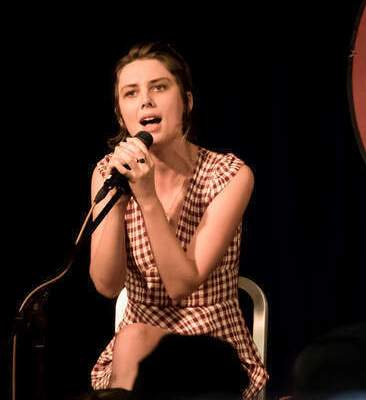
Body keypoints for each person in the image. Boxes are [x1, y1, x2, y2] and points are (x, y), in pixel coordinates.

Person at [88, 42, 267, 398]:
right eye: (131, 93)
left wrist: (148, 197)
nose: (146, 101)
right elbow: (108, 286)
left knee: (137, 341)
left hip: (211, 342)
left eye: (159, 87)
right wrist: (120, 201)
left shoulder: (229, 175)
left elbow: (182, 284)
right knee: (134, 338)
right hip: (135, 342)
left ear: (186, 102)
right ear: (121, 113)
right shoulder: (107, 174)